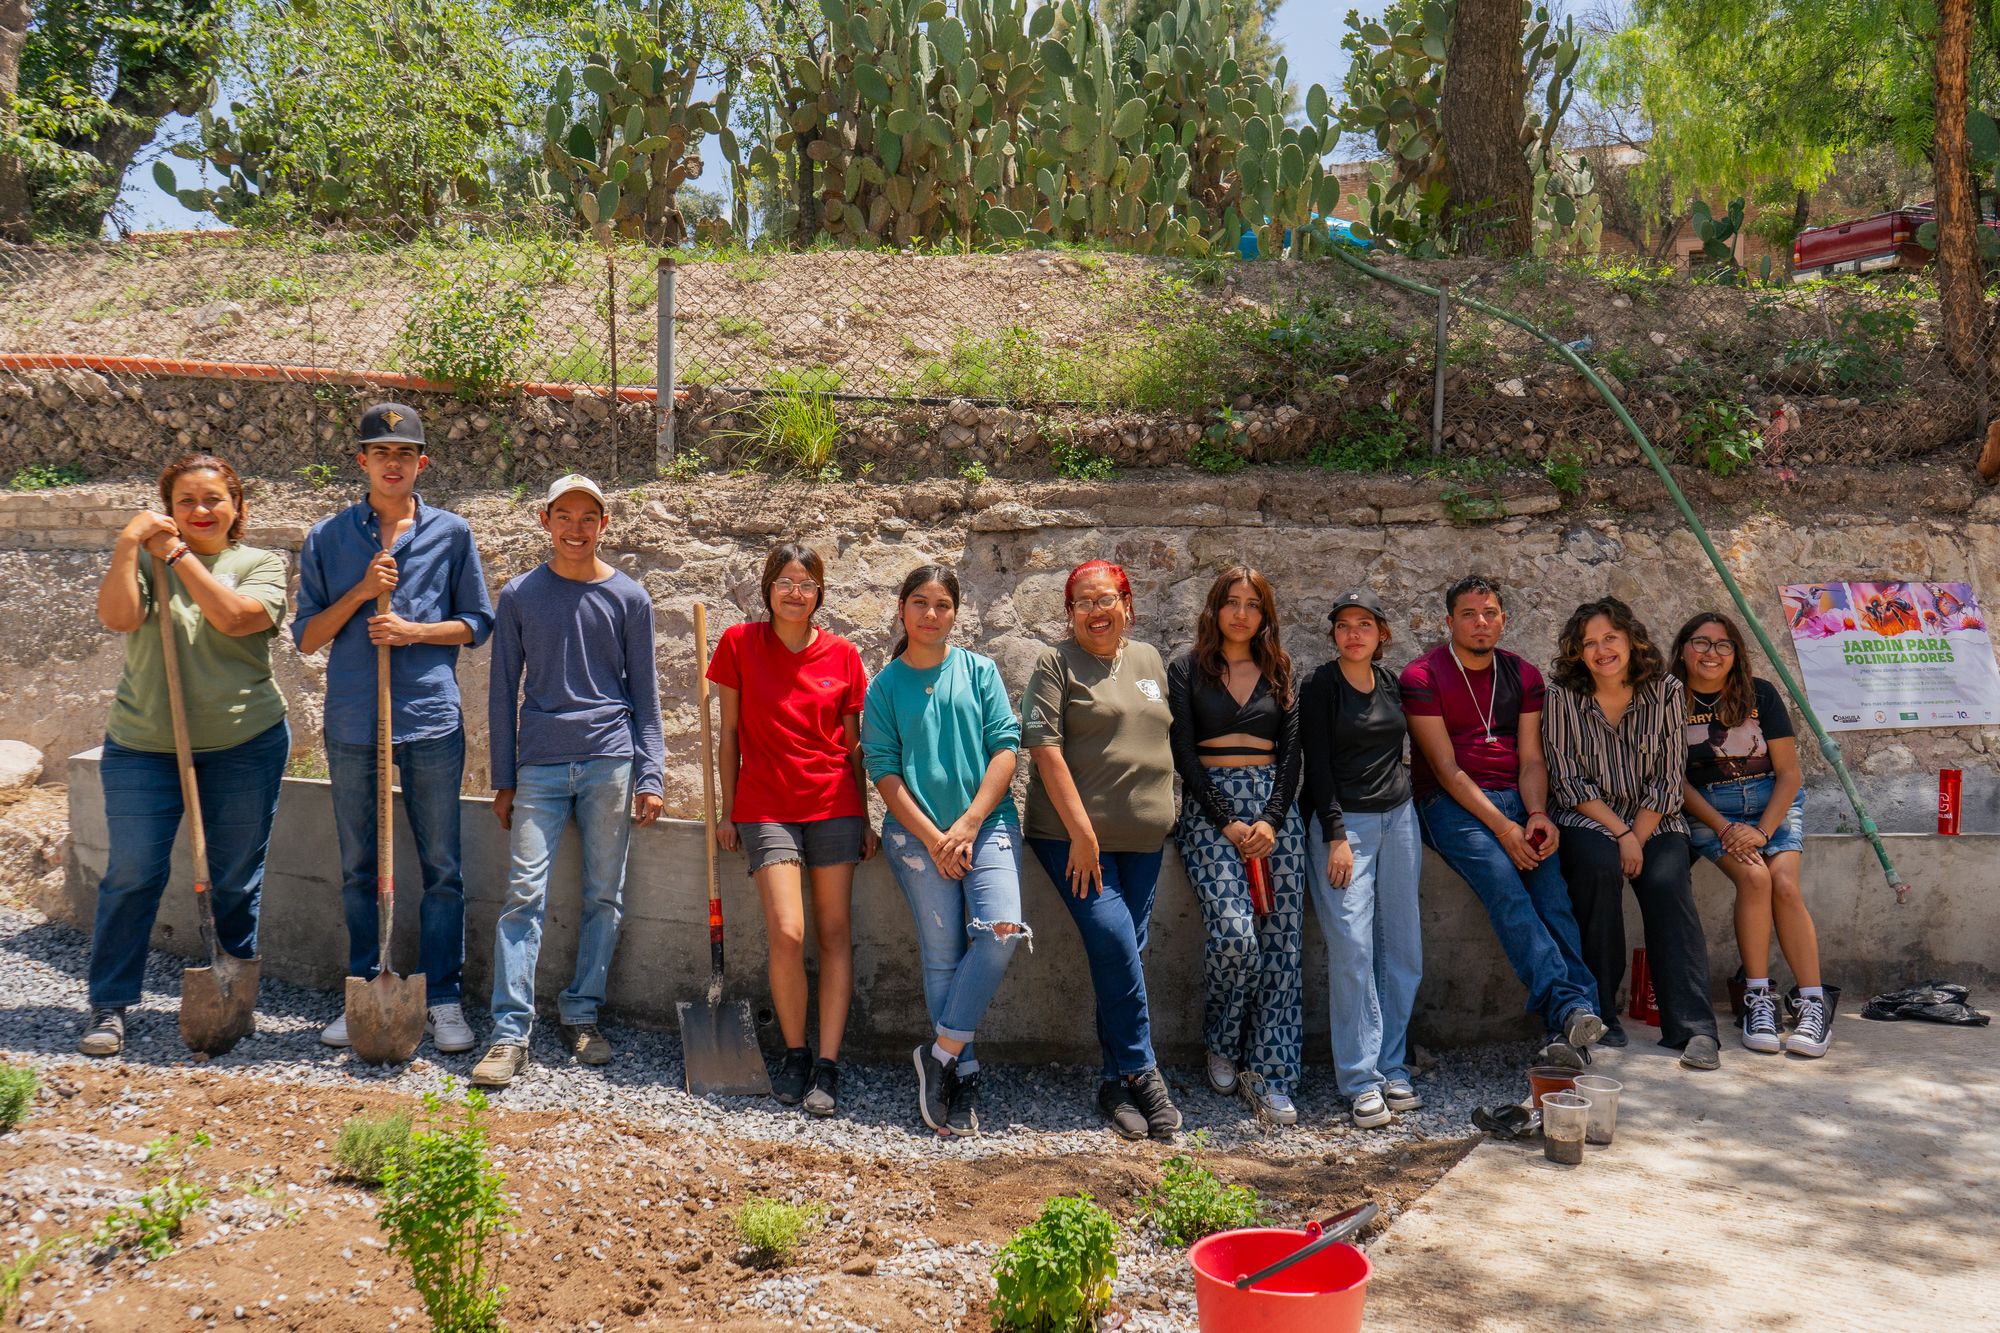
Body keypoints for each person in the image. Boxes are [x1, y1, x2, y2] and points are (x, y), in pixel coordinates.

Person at [295, 403, 493, 1056]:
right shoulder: (327, 538)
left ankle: (441, 999)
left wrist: (412, 631)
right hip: (355, 720)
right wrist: (358, 592)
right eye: (381, 452)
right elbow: (306, 637)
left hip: (431, 720)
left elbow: (476, 623)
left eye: (405, 453)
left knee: (442, 868)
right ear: (362, 461)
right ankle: (364, 985)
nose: (393, 463)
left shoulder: (452, 533)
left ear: (421, 463)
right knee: (358, 864)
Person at [79, 454, 292, 1057]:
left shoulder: (259, 564)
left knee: (232, 880)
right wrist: (127, 546)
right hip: (145, 746)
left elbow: (235, 617)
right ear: (166, 511)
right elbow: (119, 616)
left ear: (236, 508)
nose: (200, 511)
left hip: (243, 744)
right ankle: (110, 1002)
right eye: (184, 503)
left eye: (213, 500)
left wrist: (178, 558)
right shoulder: (145, 563)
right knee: (132, 873)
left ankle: (229, 997)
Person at [470, 475, 665, 1089]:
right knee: (524, 893)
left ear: (604, 525)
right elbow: (503, 691)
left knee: (604, 895)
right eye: (564, 515)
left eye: (588, 517)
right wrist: (504, 778)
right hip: (542, 765)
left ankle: (581, 1014)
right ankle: (508, 1033)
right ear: (544, 519)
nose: (575, 528)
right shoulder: (521, 595)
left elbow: (647, 698)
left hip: (611, 759)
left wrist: (651, 773)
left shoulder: (630, 598)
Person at [1401, 575, 1604, 1067]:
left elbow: (1532, 759)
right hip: (1450, 806)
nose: (1480, 622)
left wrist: (1536, 814)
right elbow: (1446, 771)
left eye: (1490, 612)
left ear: (1503, 619)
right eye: (1469, 614)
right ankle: (1575, 1007)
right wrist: (1503, 828)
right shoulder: (1422, 675)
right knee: (1505, 888)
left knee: (1553, 900)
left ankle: (1570, 1029)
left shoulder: (1524, 675)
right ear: (1449, 622)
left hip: (1519, 799)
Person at [709, 542, 876, 1114]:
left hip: (834, 802)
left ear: (820, 592)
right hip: (765, 807)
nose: (795, 591)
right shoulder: (738, 643)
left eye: (806, 582)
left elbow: (854, 747)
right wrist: (731, 810)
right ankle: (796, 1051)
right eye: (785, 580)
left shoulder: (844, 655)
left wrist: (868, 818)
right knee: (788, 932)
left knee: (833, 934)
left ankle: (828, 1064)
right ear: (768, 588)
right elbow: (728, 733)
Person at [862, 564, 1025, 1137]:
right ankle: (965, 1071)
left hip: (989, 826)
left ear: (956, 613)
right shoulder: (883, 687)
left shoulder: (980, 671)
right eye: (920, 603)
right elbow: (882, 771)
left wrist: (970, 823)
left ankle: (941, 1053)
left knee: (1001, 929)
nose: (931, 615)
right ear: (902, 609)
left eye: (942, 605)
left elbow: (1006, 748)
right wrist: (936, 838)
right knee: (942, 954)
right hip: (917, 838)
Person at [1022, 560, 1182, 1141]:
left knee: (1124, 955)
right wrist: (1083, 834)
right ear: (1070, 614)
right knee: (1116, 940)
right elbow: (1044, 748)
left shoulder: (1147, 660)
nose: (1096, 610)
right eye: (1083, 602)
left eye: (1106, 599)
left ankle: (1114, 1083)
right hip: (1072, 841)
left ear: (1127, 603)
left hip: (1142, 841)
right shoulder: (1055, 663)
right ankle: (1143, 1069)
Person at [1544, 598, 1719, 1071]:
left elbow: (1667, 777)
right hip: (1589, 817)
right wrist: (1620, 834)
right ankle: (1600, 1015)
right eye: (1590, 643)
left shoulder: (1663, 691)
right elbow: (1567, 779)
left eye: (1610, 639)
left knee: (1666, 884)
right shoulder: (1562, 696)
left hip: (1655, 818)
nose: (1602, 650)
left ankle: (1694, 1029)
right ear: (1577, 653)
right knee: (1597, 873)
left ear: (1630, 640)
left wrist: (1636, 836)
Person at [1167, 567, 1306, 1126]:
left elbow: (1293, 753)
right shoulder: (1187, 669)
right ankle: (1222, 1039)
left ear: (1265, 614)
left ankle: (1272, 1076)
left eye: (1253, 604)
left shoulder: (1282, 671)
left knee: (1281, 947)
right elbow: (1183, 752)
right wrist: (1225, 819)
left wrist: (1272, 819)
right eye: (1232, 602)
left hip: (1277, 813)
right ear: (1215, 609)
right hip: (1209, 814)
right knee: (1234, 935)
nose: (1242, 613)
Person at [1672, 611, 1833, 1058]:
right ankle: (1758, 997)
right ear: (1683, 648)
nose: (1712, 653)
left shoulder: (1760, 693)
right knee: (1755, 878)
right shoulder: (1666, 699)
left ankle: (1812, 1004)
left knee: (1782, 882)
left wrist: (1762, 831)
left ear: (1736, 653)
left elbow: (1789, 773)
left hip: (1771, 806)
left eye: (1723, 645)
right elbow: (1674, 780)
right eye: (1701, 643)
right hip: (1709, 810)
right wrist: (1725, 829)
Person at [1300, 589, 1423, 1128]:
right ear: (1334, 635)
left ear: (1381, 635)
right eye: (1344, 625)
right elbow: (1318, 765)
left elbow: (1401, 751)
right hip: (1343, 825)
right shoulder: (1320, 686)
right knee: (1351, 945)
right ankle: (1359, 1078)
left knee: (1401, 946)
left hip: (1398, 819)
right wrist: (1335, 835)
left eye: (1365, 625)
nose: (1354, 634)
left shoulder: (1391, 683)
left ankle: (1393, 1066)